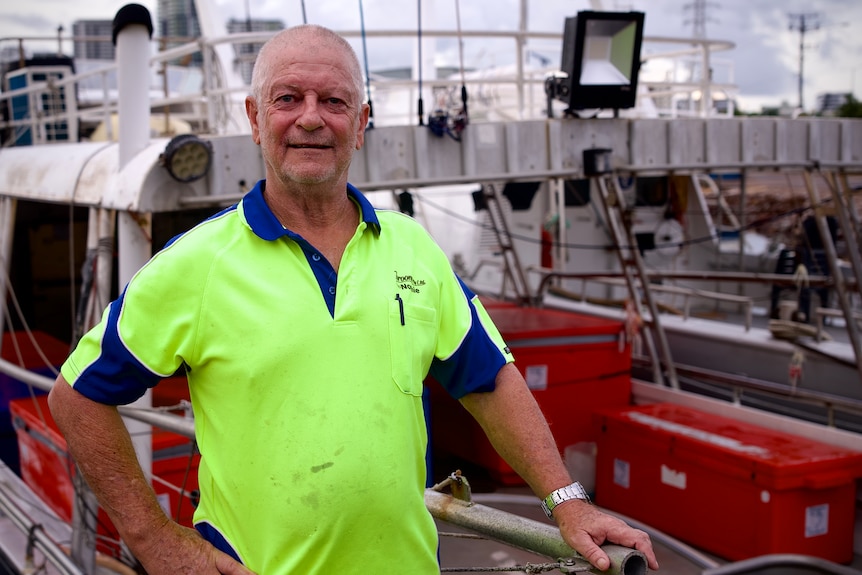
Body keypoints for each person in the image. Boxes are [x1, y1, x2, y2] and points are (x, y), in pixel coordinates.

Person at [48, 24, 658, 575]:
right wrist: (156, 540)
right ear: (255, 119)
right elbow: (77, 397)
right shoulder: (196, 264)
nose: (311, 119)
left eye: (333, 101)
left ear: (361, 122)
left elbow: (490, 381)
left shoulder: (412, 249)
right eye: (288, 99)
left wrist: (567, 504)